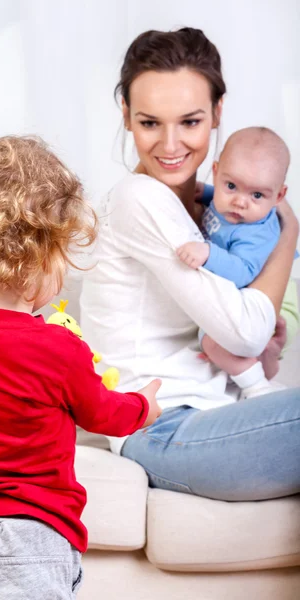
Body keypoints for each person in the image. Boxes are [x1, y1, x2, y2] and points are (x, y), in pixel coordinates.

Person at [0, 136, 161, 600]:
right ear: (40, 254)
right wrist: (144, 406)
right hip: (26, 544)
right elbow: (103, 413)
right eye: (63, 257)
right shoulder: (58, 347)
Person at [80, 28, 300, 501]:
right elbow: (244, 333)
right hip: (163, 432)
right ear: (126, 117)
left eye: (190, 122)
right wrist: (290, 234)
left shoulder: (210, 208)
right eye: (149, 123)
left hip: (218, 415)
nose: (170, 144)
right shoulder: (140, 199)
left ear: (218, 113)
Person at [176, 126, 295, 400]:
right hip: (250, 293)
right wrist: (204, 192)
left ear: (278, 196)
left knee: (212, 340)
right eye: (231, 186)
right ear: (216, 173)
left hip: (274, 298)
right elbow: (219, 198)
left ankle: (257, 386)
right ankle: (268, 359)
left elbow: (243, 272)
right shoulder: (230, 201)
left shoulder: (256, 233)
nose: (240, 202)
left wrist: (209, 253)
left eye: (257, 195)